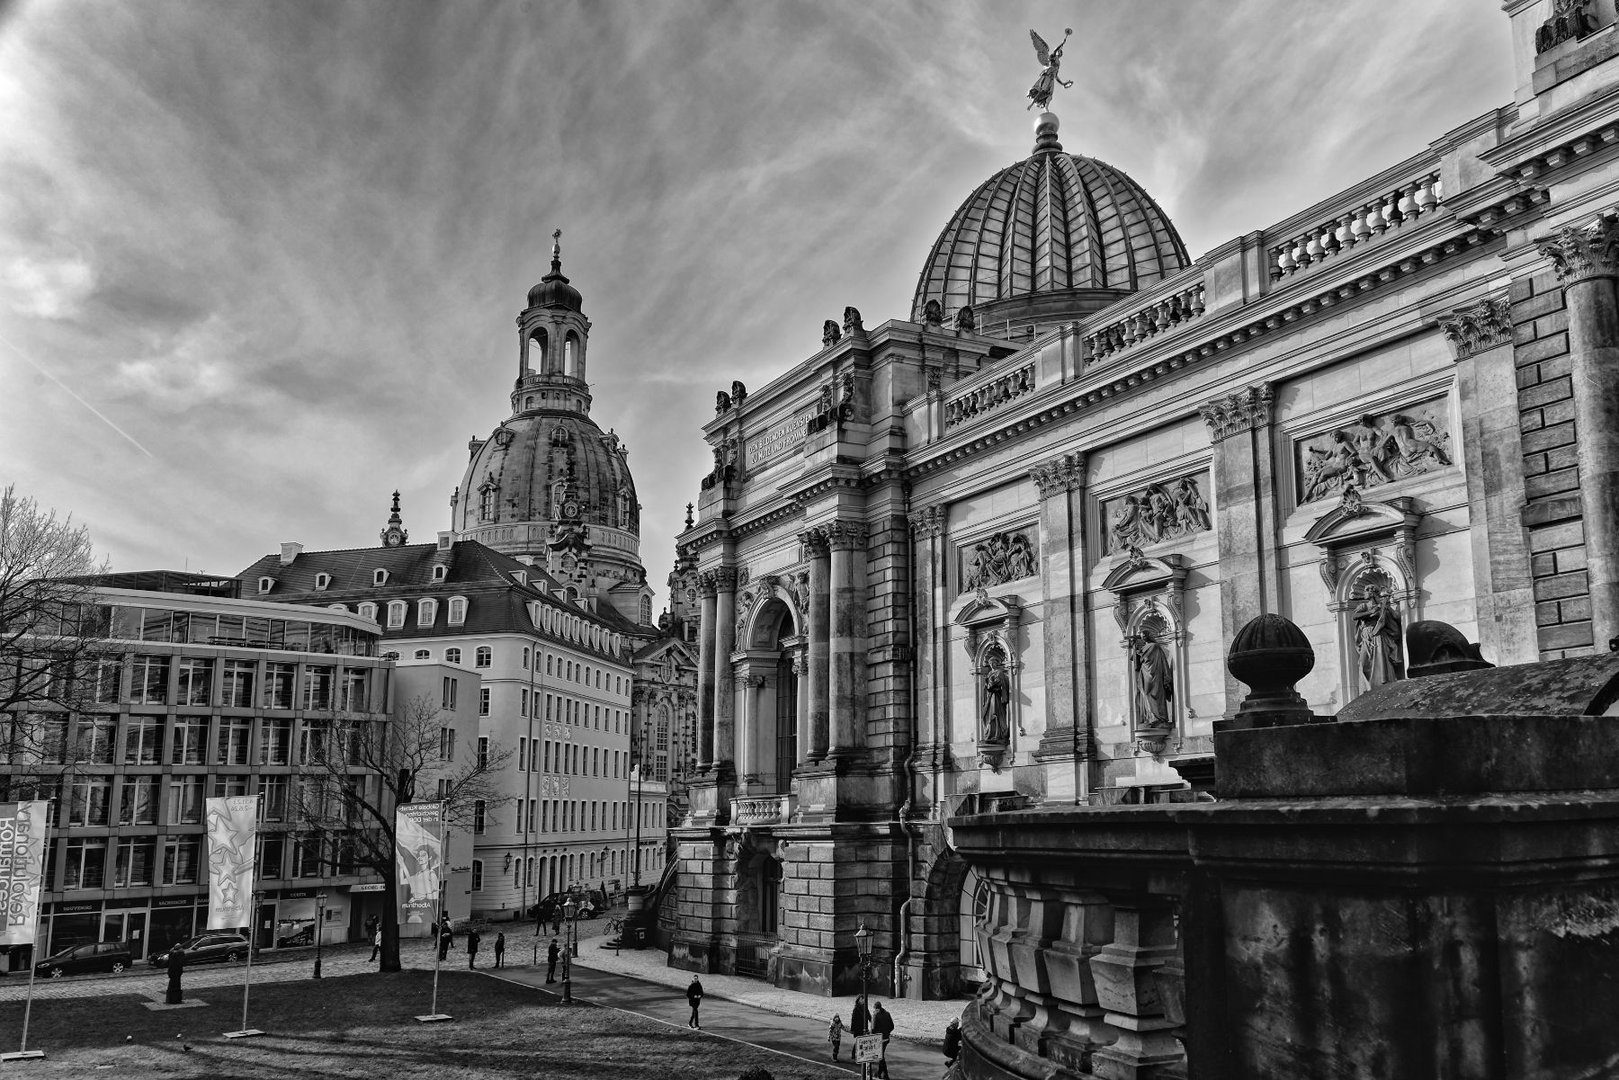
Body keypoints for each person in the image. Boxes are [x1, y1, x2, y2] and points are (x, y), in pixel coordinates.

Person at [871, 1001, 895, 1078]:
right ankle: (879, 1073)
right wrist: (887, 1033)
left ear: (876, 1008)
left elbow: (873, 1028)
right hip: (886, 1038)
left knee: (880, 1057)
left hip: (879, 1039)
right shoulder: (887, 1013)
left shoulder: (875, 1015)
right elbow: (892, 1026)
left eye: (874, 1009)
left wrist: (873, 1037)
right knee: (881, 1055)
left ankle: (885, 1074)